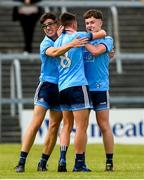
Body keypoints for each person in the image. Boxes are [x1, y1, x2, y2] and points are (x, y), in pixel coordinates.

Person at [15, 12, 88, 173]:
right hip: (47, 86)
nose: (47, 28)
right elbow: (55, 53)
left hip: (61, 87)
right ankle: (21, 161)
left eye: (50, 24)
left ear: (58, 25)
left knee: (54, 126)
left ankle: (43, 162)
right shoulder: (46, 43)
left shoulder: (65, 38)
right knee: (36, 123)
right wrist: (71, 44)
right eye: (44, 26)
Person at [54, 12, 106, 172]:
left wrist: (58, 35)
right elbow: (102, 33)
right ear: (74, 24)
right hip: (78, 86)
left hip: (62, 88)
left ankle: (62, 159)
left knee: (66, 125)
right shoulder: (78, 36)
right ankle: (79, 164)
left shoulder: (57, 42)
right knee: (81, 127)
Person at [83, 9, 114, 171]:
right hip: (83, 88)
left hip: (100, 87)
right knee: (83, 127)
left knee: (104, 125)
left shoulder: (107, 39)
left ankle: (109, 162)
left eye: (92, 22)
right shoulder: (81, 39)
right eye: (87, 23)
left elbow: (95, 52)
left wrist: (81, 41)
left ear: (100, 23)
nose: (89, 25)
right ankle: (81, 162)